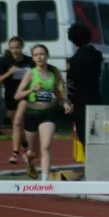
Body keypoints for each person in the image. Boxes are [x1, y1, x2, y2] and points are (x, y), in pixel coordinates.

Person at [14, 44, 72, 181]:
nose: (39, 57)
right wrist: (32, 90)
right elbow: (17, 95)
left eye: (42, 54)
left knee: (45, 146)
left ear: (47, 55)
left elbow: (57, 92)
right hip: (32, 113)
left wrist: (64, 103)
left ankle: (44, 181)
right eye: (36, 55)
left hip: (48, 113)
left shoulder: (53, 74)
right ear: (33, 58)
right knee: (32, 152)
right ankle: (29, 160)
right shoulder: (30, 74)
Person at [0, 36, 34, 164]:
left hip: (24, 95)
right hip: (10, 95)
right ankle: (26, 146)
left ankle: (15, 153)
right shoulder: (4, 62)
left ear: (22, 47)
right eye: (12, 48)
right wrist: (9, 73)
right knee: (17, 124)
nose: (15, 50)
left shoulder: (28, 61)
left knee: (17, 123)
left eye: (17, 48)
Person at [66, 23, 103, 152]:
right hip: (95, 96)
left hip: (80, 100)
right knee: (96, 132)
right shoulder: (97, 55)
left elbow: (71, 81)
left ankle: (90, 161)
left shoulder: (75, 59)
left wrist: (69, 100)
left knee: (83, 132)